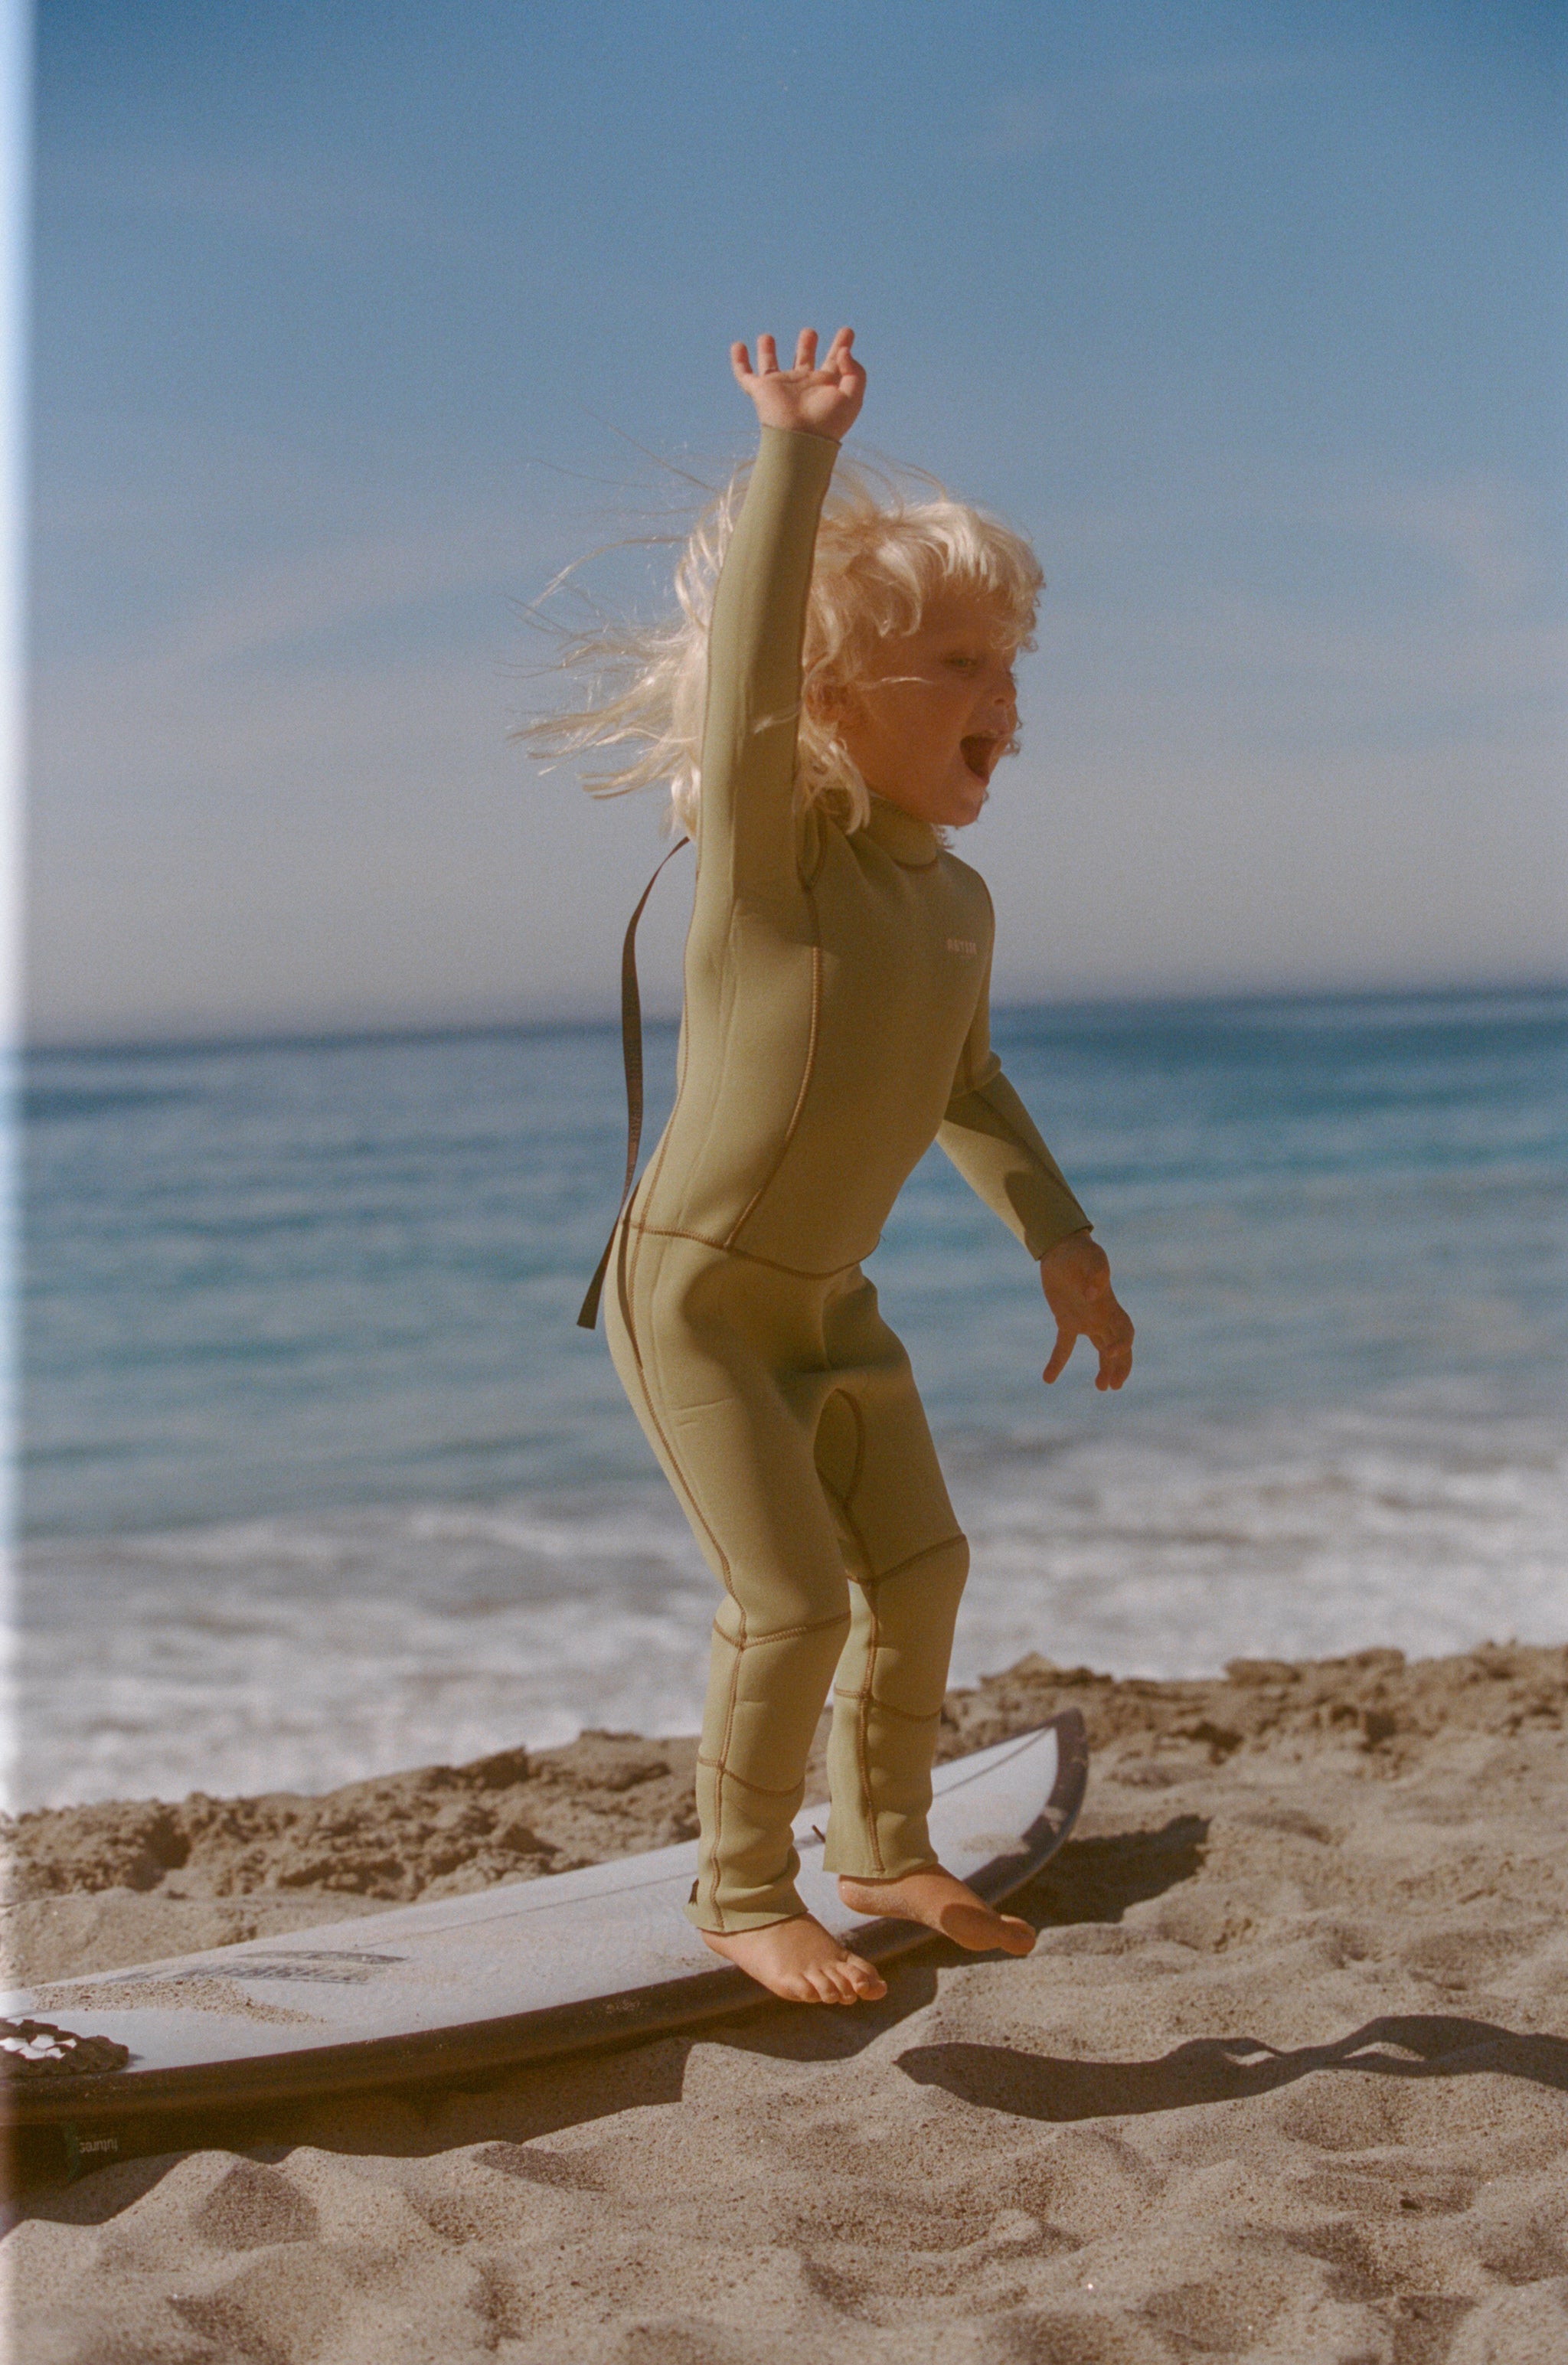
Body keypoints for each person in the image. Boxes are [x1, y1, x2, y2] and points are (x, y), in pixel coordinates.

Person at [535, 326, 1133, 2004]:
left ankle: (880, 1850)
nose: (998, 703)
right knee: (789, 1602)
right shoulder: (769, 866)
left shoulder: (952, 902)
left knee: (924, 1571)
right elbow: (741, 682)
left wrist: (1061, 1246)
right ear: (833, 690)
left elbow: (969, 1088)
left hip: (835, 1308)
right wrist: (794, 456)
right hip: (702, 1301)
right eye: (952, 662)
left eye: (1009, 665)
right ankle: (740, 1891)